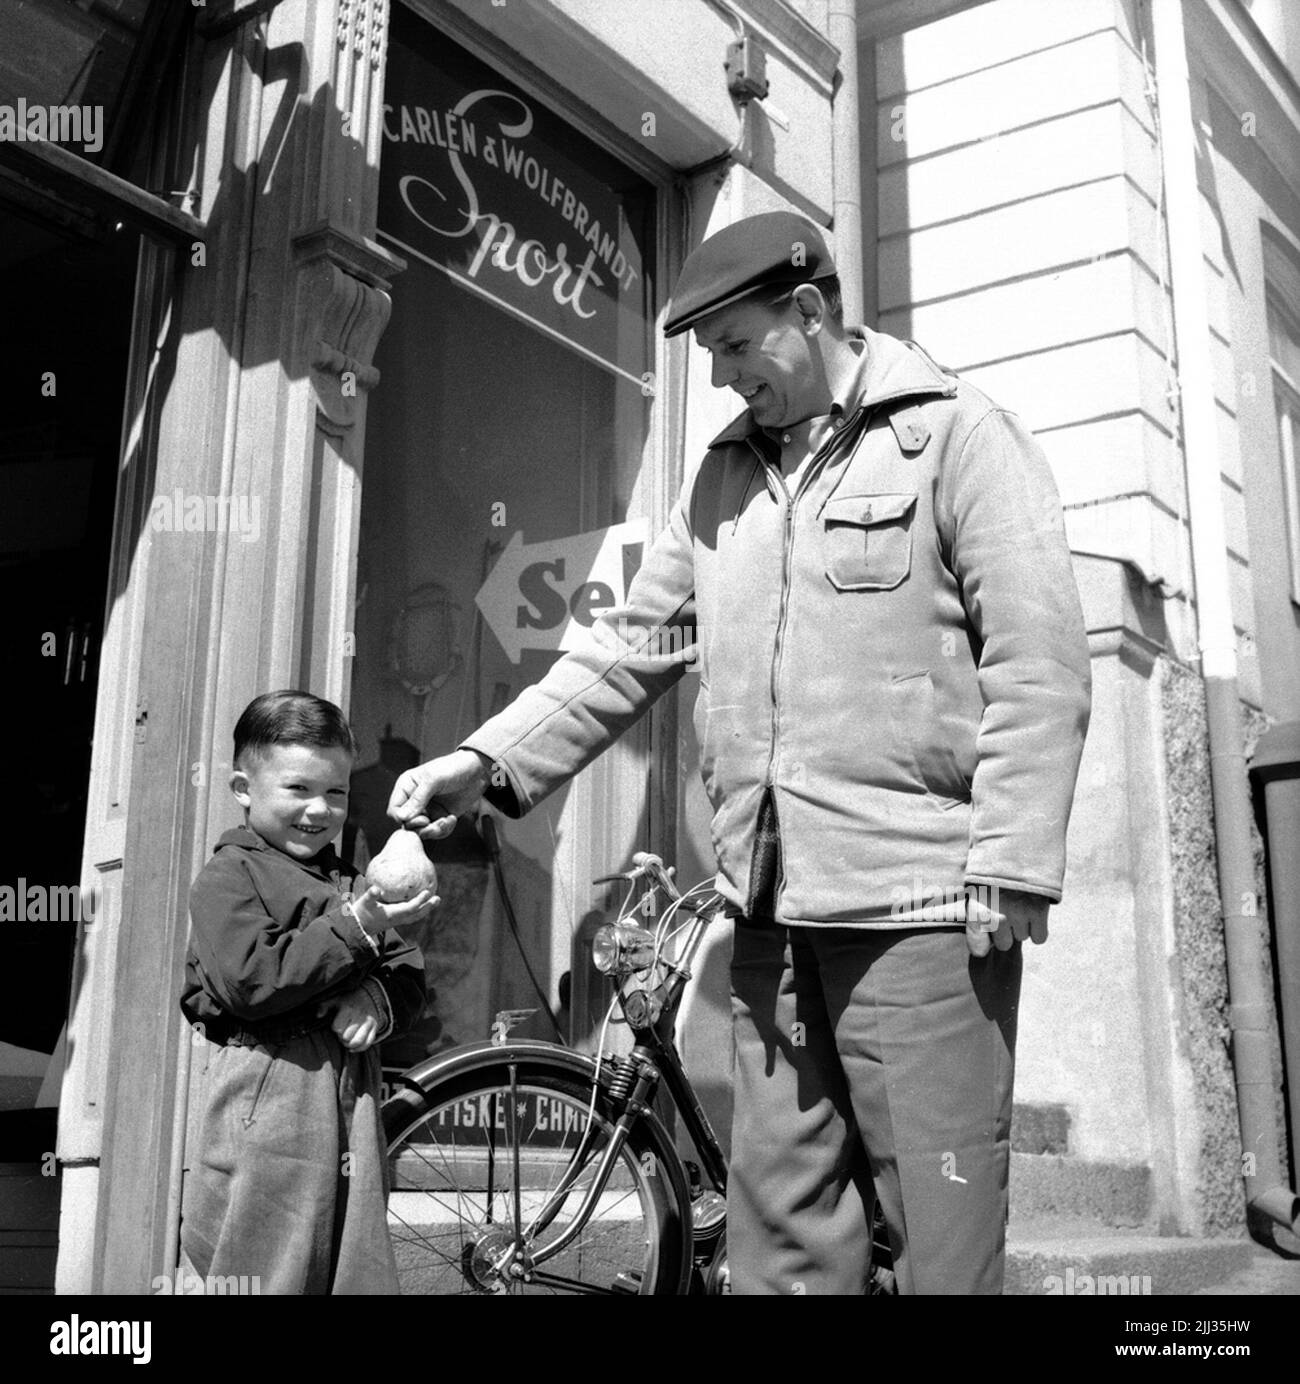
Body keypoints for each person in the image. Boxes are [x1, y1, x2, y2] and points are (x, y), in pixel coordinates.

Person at [386, 212, 1092, 1294]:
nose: (718, 378)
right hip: (767, 920)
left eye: (733, 346)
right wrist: (483, 761)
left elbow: (1038, 658)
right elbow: (627, 649)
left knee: (942, 1249)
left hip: (918, 912)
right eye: (705, 354)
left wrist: (1010, 852)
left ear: (808, 314)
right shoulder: (722, 480)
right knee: (782, 1246)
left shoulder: (957, 435)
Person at [180, 690, 434, 1294]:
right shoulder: (227, 879)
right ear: (244, 788)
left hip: (352, 1095)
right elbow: (252, 982)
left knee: (351, 1266)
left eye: (337, 793)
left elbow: (408, 968)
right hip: (271, 1091)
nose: (319, 811)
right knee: (268, 1260)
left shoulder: (348, 879)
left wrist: (376, 1001)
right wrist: (356, 927)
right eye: (298, 789)